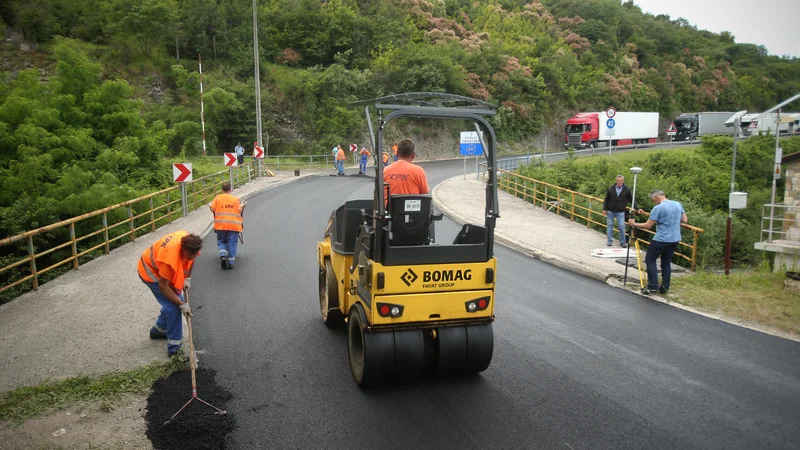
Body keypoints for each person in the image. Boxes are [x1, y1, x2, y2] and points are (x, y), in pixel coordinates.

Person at [138, 230, 202, 357]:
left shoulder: (190, 243)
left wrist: (186, 278)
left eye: (195, 254)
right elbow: (163, 286)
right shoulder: (170, 260)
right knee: (174, 307)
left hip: (161, 269)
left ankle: (158, 331)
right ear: (183, 250)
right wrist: (181, 304)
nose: (192, 257)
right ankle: (174, 350)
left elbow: (191, 260)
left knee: (172, 302)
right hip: (151, 273)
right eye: (190, 255)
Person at [628, 189, 688, 295]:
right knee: (666, 263)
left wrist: (634, 224)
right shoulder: (677, 204)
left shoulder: (658, 208)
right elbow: (684, 220)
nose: (653, 202)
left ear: (655, 197)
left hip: (661, 239)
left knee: (650, 260)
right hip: (674, 239)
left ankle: (652, 287)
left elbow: (648, 225)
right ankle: (664, 287)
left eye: (653, 200)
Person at [209, 181, 247, 269]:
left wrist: (210, 206)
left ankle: (222, 255)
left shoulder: (217, 198)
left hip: (221, 225)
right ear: (230, 189)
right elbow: (239, 210)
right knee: (232, 243)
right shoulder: (235, 199)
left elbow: (212, 209)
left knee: (221, 241)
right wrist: (243, 205)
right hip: (233, 225)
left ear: (222, 190)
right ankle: (231, 262)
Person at [383, 138, 429, 204]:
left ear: (397, 153)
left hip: (389, 211)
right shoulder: (418, 171)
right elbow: (424, 194)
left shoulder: (385, 170)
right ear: (413, 155)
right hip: (411, 212)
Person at [602, 175, 633, 248]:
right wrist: (604, 209)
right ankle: (609, 241)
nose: (619, 182)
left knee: (622, 226)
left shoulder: (627, 189)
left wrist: (637, 208)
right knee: (610, 225)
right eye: (618, 181)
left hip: (620, 211)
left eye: (620, 181)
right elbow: (606, 199)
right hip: (610, 210)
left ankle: (622, 242)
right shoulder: (611, 189)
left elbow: (632, 200)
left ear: (623, 181)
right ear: (616, 181)